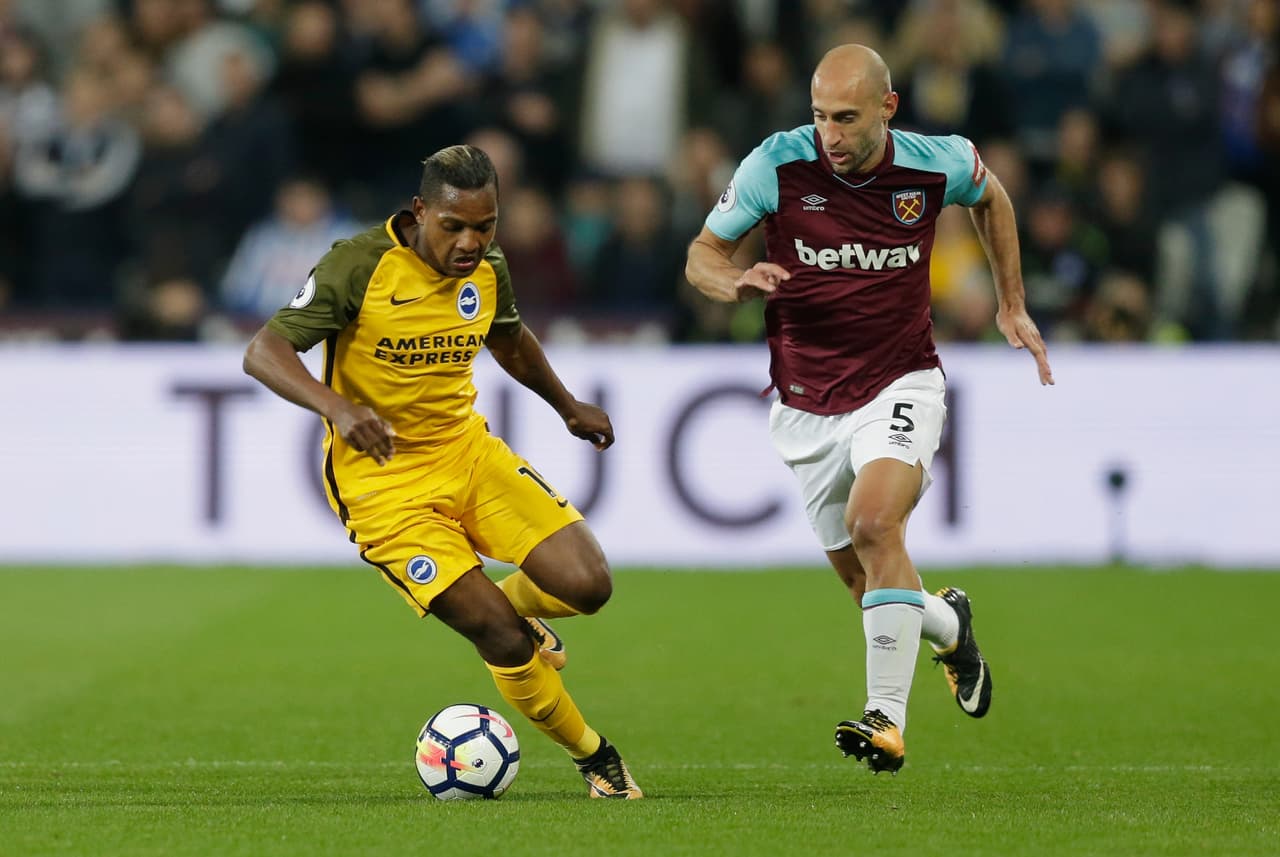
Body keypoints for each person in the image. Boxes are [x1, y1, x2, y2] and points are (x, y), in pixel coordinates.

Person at [685, 44, 1053, 774]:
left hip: (901, 380)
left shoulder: (934, 162)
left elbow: (994, 197)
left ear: (887, 107)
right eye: (820, 116)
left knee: (875, 522)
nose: (832, 134)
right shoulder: (775, 167)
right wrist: (734, 282)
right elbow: (700, 253)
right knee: (867, 581)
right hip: (804, 404)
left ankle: (885, 718)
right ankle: (951, 625)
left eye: (847, 118)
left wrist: (1012, 301)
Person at [242, 144, 643, 799]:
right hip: (382, 485)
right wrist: (338, 407)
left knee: (589, 584)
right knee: (500, 638)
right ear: (421, 211)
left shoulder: (487, 268)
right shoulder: (359, 264)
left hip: (467, 454)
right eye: (454, 225)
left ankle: (516, 607)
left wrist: (568, 406)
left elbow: (509, 338)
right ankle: (595, 756)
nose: (470, 241)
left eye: (484, 226)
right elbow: (264, 350)